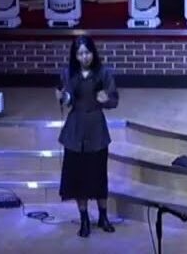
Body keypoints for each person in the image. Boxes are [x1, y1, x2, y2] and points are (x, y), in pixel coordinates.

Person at [55, 35, 120, 238]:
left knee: (99, 175)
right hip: (75, 130)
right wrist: (63, 97)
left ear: (93, 52)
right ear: (75, 56)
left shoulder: (103, 73)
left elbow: (114, 99)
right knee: (78, 178)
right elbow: (68, 98)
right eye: (80, 53)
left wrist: (106, 99)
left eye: (87, 52)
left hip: (96, 129)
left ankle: (103, 216)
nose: (84, 57)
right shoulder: (68, 73)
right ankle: (84, 218)